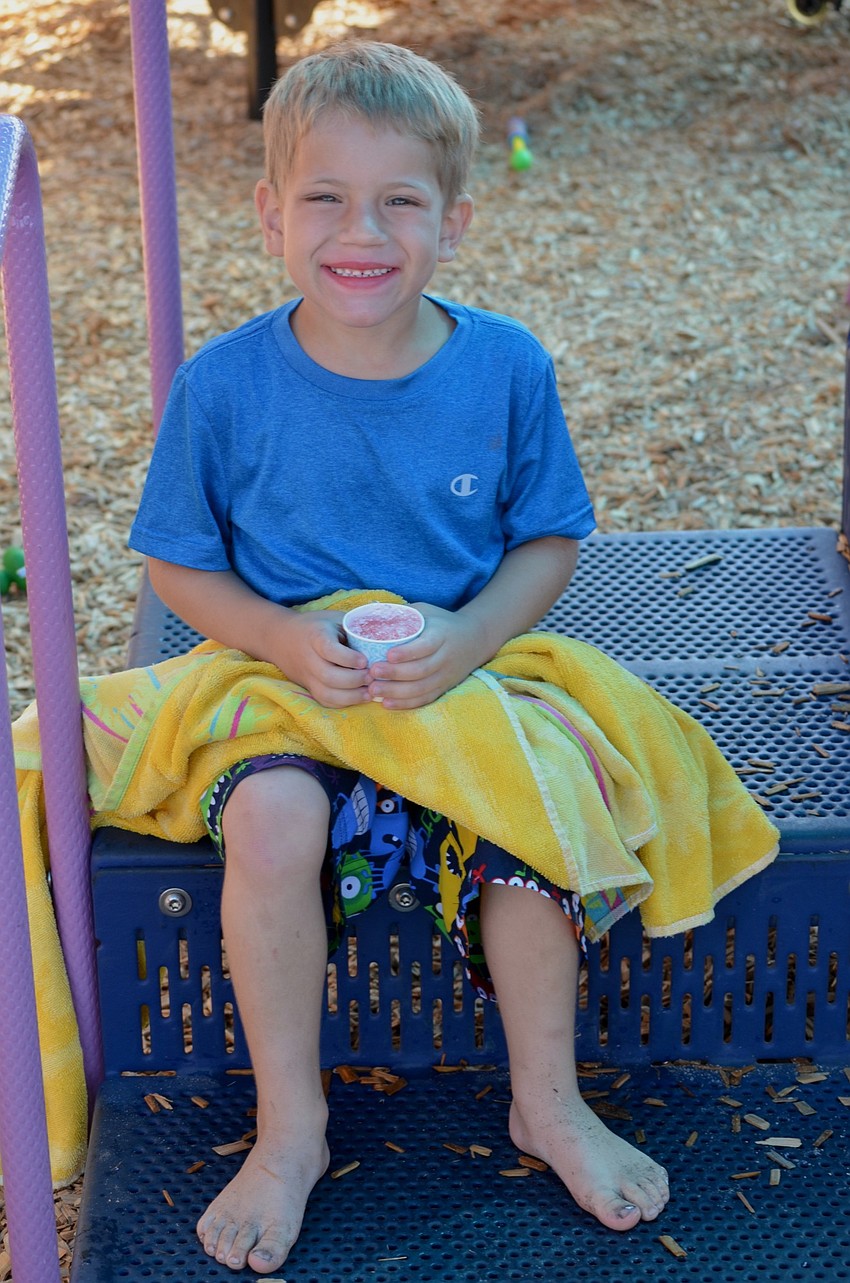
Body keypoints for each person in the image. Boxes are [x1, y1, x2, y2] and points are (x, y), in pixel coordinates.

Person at [129, 40, 670, 1276]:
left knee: (540, 805)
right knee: (269, 820)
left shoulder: (505, 366)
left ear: (455, 220)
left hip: (459, 678)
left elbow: (546, 542)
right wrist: (280, 635)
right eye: (324, 196)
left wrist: (470, 635)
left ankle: (546, 1100)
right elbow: (176, 567)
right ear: (270, 213)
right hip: (293, 687)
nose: (359, 232)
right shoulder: (223, 387)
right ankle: (291, 1128)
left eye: (400, 201)